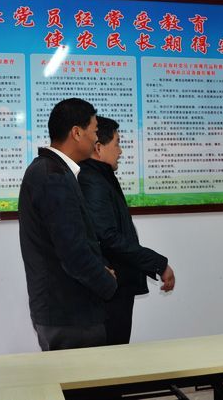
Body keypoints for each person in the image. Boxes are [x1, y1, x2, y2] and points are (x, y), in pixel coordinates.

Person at [19, 98, 117, 351]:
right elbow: (73, 252)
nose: (96, 139)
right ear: (76, 132)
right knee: (83, 377)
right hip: (69, 313)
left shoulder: (53, 171)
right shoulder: (52, 177)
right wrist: (107, 281)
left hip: (66, 309)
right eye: (94, 131)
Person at [78, 116, 175, 345]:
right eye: (117, 143)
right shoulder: (93, 181)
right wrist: (158, 263)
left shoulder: (101, 177)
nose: (120, 151)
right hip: (109, 289)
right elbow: (108, 237)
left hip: (114, 286)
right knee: (111, 356)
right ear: (98, 147)